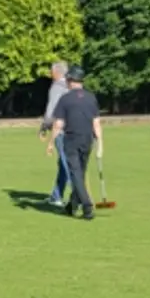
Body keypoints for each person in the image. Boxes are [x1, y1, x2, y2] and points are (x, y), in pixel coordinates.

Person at [46, 67, 104, 220]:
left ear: (71, 81)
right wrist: (101, 144)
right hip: (87, 139)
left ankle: (87, 206)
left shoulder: (65, 99)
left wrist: (51, 142)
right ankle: (72, 205)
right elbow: (96, 123)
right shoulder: (91, 97)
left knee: (76, 174)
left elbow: (58, 124)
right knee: (80, 173)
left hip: (71, 139)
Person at [38, 61, 71, 207]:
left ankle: (78, 196)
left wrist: (44, 127)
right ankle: (56, 195)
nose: (50, 74)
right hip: (75, 130)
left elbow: (51, 111)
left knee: (66, 162)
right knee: (64, 163)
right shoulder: (72, 86)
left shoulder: (57, 87)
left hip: (62, 130)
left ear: (57, 72)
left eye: (51, 72)